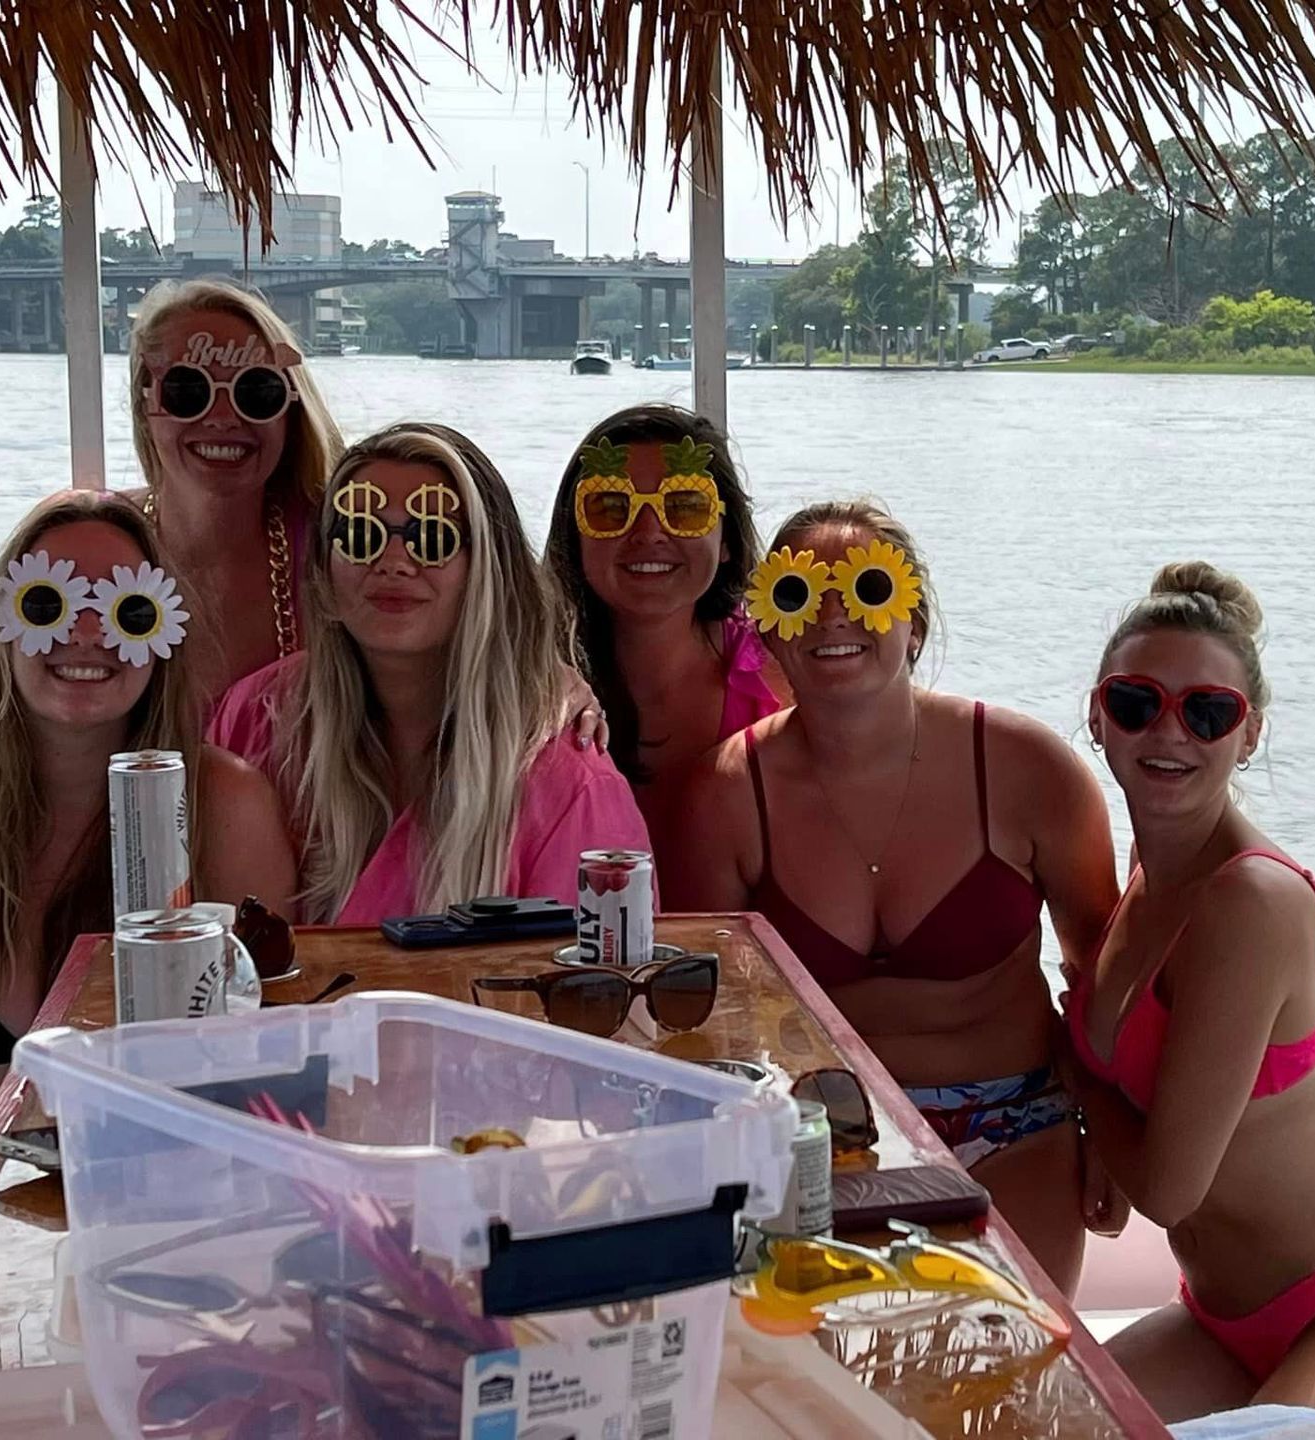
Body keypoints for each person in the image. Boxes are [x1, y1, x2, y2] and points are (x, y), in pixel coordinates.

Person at [0, 492, 297, 1295]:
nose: (88, 633)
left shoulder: (229, 810)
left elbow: (265, 1081)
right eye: (51, 600)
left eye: (125, 608)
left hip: (173, 1263)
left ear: (162, 633)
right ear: (1, 622)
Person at [666, 501, 1120, 1293]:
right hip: (824, 1136)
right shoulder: (726, 795)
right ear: (771, 629)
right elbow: (716, 1017)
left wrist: (1113, 1138)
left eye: (867, 586)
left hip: (1015, 1123)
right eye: (804, 594)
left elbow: (1102, 978)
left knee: (1014, 1364)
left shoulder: (1026, 767)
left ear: (914, 622)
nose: (835, 616)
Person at [1058, 562, 1315, 1437]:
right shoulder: (1144, 877)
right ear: (1098, 716)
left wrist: (1075, 1077)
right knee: (1032, 1424)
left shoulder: (1254, 902)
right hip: (1218, 1322)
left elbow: (1167, 1187)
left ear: (1249, 736)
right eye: (1137, 701)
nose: (1170, 731)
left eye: (1208, 712)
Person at [0, 278, 344, 802]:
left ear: (290, 408)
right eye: (188, 391)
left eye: (258, 392)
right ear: (145, 404)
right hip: (107, 863)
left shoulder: (342, 549)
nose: (224, 418)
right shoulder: (73, 544)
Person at [209, 422, 649, 921]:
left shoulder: (568, 783)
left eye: (433, 537)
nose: (393, 561)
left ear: (487, 571)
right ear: (322, 567)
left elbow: (598, 987)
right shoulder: (255, 718)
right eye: (359, 534)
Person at [543, 405, 785, 854]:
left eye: (686, 507)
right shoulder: (527, 681)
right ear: (573, 538)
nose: (649, 531)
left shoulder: (782, 675)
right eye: (611, 508)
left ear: (727, 540)